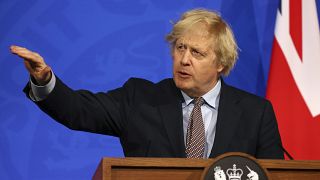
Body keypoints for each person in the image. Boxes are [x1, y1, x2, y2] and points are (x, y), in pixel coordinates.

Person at [10, 9, 284, 159]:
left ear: (221, 63)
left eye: (197, 53)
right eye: (180, 48)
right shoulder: (138, 99)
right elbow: (77, 110)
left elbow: (275, 176)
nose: (184, 60)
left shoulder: (255, 113)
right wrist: (44, 79)